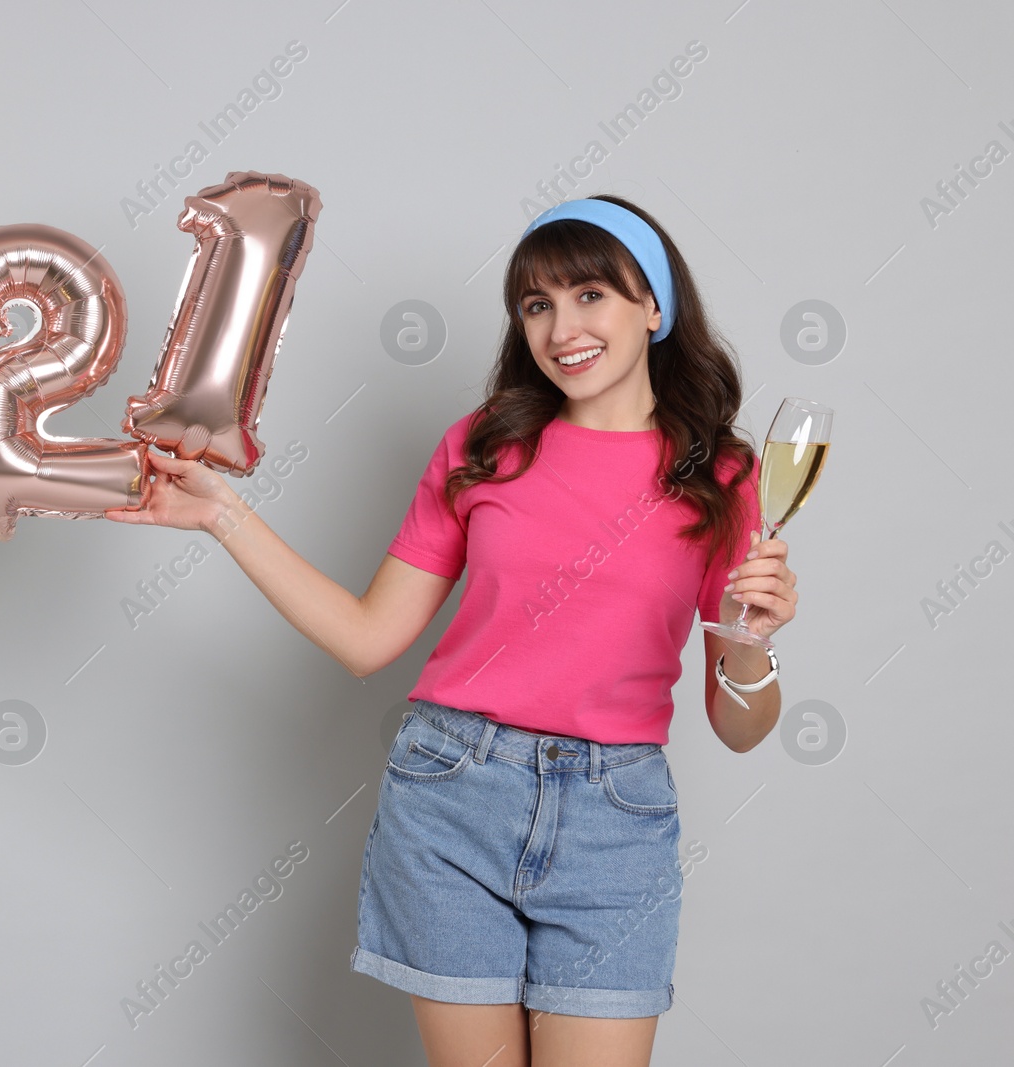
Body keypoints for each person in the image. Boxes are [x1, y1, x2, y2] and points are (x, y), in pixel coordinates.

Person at [104, 194, 799, 1067]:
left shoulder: (722, 476)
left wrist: (754, 640)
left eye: (591, 295)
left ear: (653, 308)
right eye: (537, 304)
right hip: (451, 794)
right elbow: (367, 637)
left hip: (616, 820)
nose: (561, 327)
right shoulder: (485, 447)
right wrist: (223, 517)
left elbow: (739, 727)